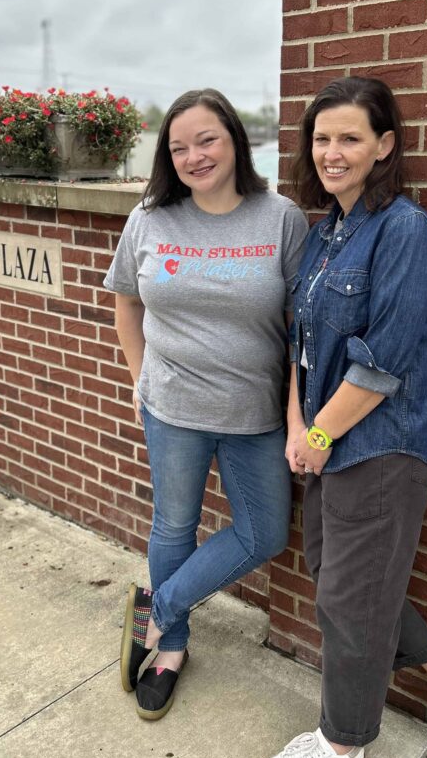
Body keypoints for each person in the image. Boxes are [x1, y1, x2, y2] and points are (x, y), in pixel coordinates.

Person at [256, 76, 427, 758]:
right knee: (337, 581)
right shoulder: (325, 233)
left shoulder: (407, 232)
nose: (333, 152)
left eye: (350, 137)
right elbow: (299, 344)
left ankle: (344, 740)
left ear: (385, 145)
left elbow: (383, 361)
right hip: (327, 437)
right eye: (322, 138)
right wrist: (299, 425)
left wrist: (319, 436)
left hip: (382, 444)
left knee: (351, 599)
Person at [104, 88, 308, 721]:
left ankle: (156, 609)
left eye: (207, 140)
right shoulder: (150, 217)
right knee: (173, 525)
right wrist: (141, 379)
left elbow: (305, 329)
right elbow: (126, 301)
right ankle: (172, 650)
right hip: (172, 409)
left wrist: (300, 416)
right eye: (179, 146)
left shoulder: (280, 217)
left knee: (267, 533)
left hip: (254, 416)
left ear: (235, 141)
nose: (195, 156)